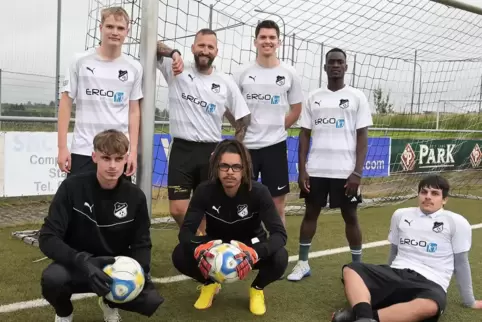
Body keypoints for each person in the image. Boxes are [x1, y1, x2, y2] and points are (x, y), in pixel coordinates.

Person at [38, 129, 164, 322]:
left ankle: (110, 302)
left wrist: (140, 271)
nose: (112, 166)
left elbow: (142, 243)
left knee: (150, 300)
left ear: (125, 160)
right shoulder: (72, 188)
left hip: (114, 268)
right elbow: (47, 237)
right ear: (94, 157)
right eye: (106, 158)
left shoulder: (135, 196)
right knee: (53, 280)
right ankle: (64, 312)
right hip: (78, 265)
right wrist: (81, 260)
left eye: (118, 158)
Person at [332, 175, 481, 322]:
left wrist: (470, 301)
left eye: (435, 193)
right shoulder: (401, 215)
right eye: (424, 192)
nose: (428, 197)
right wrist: (386, 282)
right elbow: (394, 251)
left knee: (431, 305)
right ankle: (364, 318)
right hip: (397, 272)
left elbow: (461, 263)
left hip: (430, 282)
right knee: (351, 270)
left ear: (444, 200)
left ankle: (359, 317)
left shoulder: (457, 222)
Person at [171, 139, 288, 316]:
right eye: (224, 166)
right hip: (216, 245)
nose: (230, 172)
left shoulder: (259, 192)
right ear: (216, 167)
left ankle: (257, 289)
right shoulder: (204, 191)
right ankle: (210, 284)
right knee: (180, 254)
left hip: (250, 246)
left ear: (245, 169)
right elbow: (186, 233)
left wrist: (255, 253)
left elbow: (279, 234)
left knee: (280, 256)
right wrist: (200, 249)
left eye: (236, 167)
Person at [287, 47, 373, 281]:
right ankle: (303, 263)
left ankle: (358, 269)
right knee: (310, 215)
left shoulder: (357, 97)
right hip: (316, 170)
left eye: (340, 62)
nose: (336, 65)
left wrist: (357, 172)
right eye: (331, 62)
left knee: (351, 217)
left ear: (346, 67)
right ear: (325, 68)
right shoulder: (313, 97)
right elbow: (304, 134)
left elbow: (362, 136)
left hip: (345, 172)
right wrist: (302, 169)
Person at [156, 29, 251, 234]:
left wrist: (235, 144)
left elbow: (244, 118)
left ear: (216, 51)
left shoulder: (225, 82)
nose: (205, 51)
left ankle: (206, 251)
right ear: (193, 48)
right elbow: (152, 45)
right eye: (201, 46)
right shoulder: (176, 69)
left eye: (210, 47)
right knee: (177, 209)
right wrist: (174, 53)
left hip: (210, 152)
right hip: (182, 149)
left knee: (209, 210)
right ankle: (198, 242)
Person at [231, 20, 304, 227]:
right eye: (263, 37)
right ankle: (243, 251)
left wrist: (278, 128)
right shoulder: (241, 73)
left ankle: (277, 251)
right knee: (243, 203)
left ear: (278, 42)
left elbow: (296, 109)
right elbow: (228, 106)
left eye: (272, 37)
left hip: (275, 146)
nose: (267, 41)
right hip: (247, 148)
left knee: (276, 204)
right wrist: (239, 127)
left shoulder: (289, 73)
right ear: (255, 42)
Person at [57, 6, 142, 180]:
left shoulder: (134, 68)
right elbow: (65, 104)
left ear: (127, 31)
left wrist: (132, 151)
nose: (115, 32)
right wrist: (62, 148)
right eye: (110, 27)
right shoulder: (79, 61)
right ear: (100, 28)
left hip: (118, 153)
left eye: (120, 28)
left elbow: (134, 111)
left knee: (116, 206)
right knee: (80, 205)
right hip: (84, 150)